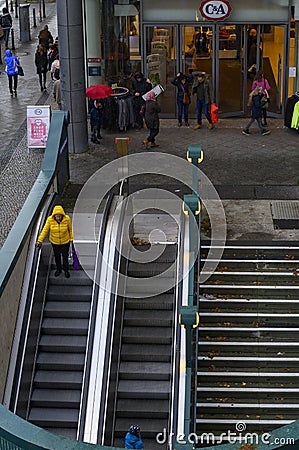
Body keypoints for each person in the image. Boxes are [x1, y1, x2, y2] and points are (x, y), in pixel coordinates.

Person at [35, 205, 74, 278]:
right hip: (55, 242)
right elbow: (45, 230)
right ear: (54, 216)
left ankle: (66, 270)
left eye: (59, 216)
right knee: (57, 256)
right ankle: (58, 269)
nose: (58, 218)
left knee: (65, 257)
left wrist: (71, 239)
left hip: (65, 242)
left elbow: (70, 229)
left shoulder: (67, 219)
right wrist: (39, 240)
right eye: (57, 216)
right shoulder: (50, 220)